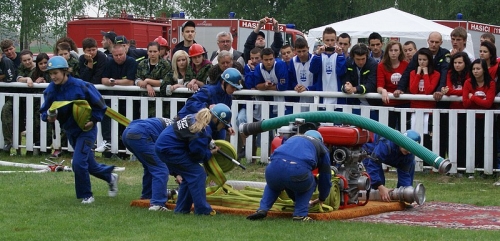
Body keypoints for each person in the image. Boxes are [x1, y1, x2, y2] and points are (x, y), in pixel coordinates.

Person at [39, 56, 118, 204]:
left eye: (56, 72)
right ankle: (110, 177)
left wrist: (93, 120)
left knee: (78, 163)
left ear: (65, 71)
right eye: (51, 74)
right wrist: (48, 117)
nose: (53, 76)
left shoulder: (82, 86)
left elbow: (101, 106)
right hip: (70, 130)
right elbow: (44, 111)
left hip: (87, 130)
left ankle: (86, 196)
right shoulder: (50, 90)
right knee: (90, 165)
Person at [155, 104, 233, 215]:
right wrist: (210, 152)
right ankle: (203, 210)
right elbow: (197, 154)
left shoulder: (200, 117)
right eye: (223, 124)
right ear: (216, 120)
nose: (223, 128)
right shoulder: (203, 131)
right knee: (198, 174)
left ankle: (181, 210)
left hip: (164, 146)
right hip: (170, 149)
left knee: (189, 175)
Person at [246, 130, 332, 222]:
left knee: (273, 185)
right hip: (297, 172)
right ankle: (300, 214)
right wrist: (322, 197)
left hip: (273, 168)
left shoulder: (293, 138)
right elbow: (325, 177)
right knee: (310, 183)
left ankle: (262, 209)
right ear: (321, 140)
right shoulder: (322, 148)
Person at [122, 117, 175, 211]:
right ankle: (157, 204)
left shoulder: (172, 124)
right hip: (140, 135)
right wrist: (178, 173)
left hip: (127, 133)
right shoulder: (177, 131)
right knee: (161, 170)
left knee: (150, 166)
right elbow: (169, 156)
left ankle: (147, 196)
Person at [97, 44, 137, 155]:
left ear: (125, 52)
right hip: (113, 98)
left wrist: (115, 82)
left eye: (121, 54)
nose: (118, 57)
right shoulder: (109, 62)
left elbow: (130, 81)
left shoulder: (131, 62)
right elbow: (103, 79)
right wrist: (108, 82)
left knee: (127, 125)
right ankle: (108, 146)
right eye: (116, 55)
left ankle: (128, 150)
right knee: (107, 119)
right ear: (112, 55)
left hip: (130, 99)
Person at [362, 130, 420, 202]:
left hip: (391, 155)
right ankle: (368, 198)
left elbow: (405, 174)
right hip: (371, 149)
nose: (409, 152)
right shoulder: (386, 144)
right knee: (378, 185)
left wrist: (405, 193)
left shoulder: (409, 154)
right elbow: (373, 165)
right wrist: (380, 186)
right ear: (402, 142)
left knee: (411, 164)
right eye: (408, 148)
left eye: (412, 150)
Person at [462, 59, 496, 170]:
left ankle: (486, 168)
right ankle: (472, 168)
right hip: (471, 119)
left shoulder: (490, 83)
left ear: (484, 70)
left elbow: (488, 103)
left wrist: (473, 97)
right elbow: (465, 103)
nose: (475, 71)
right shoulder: (468, 82)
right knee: (472, 143)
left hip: (487, 119)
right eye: (473, 69)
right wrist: (480, 99)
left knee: (486, 143)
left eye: (478, 69)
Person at [177, 67, 242, 122]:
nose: (234, 90)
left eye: (236, 88)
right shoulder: (208, 91)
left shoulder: (228, 97)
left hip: (202, 124)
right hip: (184, 121)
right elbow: (190, 103)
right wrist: (207, 107)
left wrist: (227, 127)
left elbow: (223, 117)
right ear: (224, 82)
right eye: (232, 87)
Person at [442, 52, 471, 169]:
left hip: (466, 110)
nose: (457, 65)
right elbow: (448, 90)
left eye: (460, 62)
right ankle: (452, 165)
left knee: (463, 139)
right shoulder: (450, 73)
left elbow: (468, 89)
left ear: (465, 63)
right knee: (452, 138)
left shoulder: (469, 74)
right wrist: (464, 92)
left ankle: (463, 165)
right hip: (453, 110)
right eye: (455, 62)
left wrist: (456, 92)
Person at [377, 41, 410, 130]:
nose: (393, 53)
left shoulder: (406, 64)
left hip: (404, 103)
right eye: (391, 50)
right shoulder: (381, 66)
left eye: (396, 50)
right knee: (389, 132)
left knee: (403, 130)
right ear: (387, 52)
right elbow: (379, 86)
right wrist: (383, 91)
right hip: (389, 103)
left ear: (400, 52)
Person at [342, 43, 381, 118]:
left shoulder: (373, 64)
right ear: (353, 57)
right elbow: (344, 81)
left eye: (363, 59)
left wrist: (355, 89)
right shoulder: (348, 63)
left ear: (367, 56)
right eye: (358, 59)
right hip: (354, 104)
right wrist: (346, 88)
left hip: (372, 105)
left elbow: (371, 85)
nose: (361, 62)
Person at [309, 27, 346, 105]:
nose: (330, 43)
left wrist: (340, 56)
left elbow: (341, 72)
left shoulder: (340, 56)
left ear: (336, 40)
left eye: (332, 40)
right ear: (323, 40)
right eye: (327, 40)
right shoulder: (318, 55)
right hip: (321, 98)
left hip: (337, 99)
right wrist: (318, 54)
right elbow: (313, 70)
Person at [254, 48, 290, 116]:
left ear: (274, 58)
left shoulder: (280, 65)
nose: (269, 62)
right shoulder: (258, 68)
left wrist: (266, 87)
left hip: (284, 102)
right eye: (266, 60)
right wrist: (265, 85)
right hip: (268, 102)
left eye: (271, 59)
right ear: (261, 60)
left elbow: (283, 86)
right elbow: (257, 85)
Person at [0, 51, 21, 153]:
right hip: (4, 95)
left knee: (6, 114)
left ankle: (8, 142)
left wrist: (3, 77)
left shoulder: (6, 61)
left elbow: (11, 78)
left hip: (11, 95)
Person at [289, 38, 317, 112]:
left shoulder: (315, 59)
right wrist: (295, 86)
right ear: (295, 51)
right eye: (299, 51)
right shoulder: (292, 61)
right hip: (298, 98)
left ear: (308, 48)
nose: (301, 54)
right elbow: (291, 79)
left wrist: (308, 88)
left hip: (313, 98)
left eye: (304, 51)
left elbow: (319, 80)